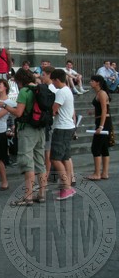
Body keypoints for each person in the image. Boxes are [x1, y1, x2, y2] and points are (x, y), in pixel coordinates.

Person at [0, 68, 46, 206]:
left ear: (20, 80)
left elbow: (18, 113)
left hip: (28, 130)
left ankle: (28, 196)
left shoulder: (24, 92)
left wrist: (6, 106)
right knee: (40, 162)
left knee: (27, 162)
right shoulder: (38, 88)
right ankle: (42, 193)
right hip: (40, 128)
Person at [49, 69, 76, 200]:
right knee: (66, 157)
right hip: (69, 126)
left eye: (53, 81)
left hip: (61, 127)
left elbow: (54, 110)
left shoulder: (60, 92)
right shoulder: (68, 90)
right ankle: (68, 184)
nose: (53, 84)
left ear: (57, 80)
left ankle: (66, 187)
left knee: (55, 158)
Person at [86, 75, 112, 180]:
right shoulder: (100, 93)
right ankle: (104, 173)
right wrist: (93, 112)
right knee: (104, 148)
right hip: (104, 121)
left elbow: (105, 110)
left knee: (95, 147)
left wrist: (101, 126)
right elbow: (101, 108)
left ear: (98, 82)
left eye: (92, 81)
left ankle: (97, 173)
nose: (90, 83)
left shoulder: (101, 93)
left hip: (104, 122)